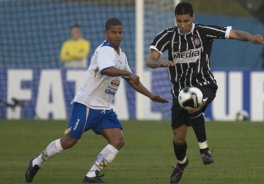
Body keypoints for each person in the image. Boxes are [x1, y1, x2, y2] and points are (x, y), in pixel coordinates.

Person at [25, 18, 168, 183]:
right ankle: (37, 161)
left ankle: (92, 175)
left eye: (120, 32)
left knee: (118, 140)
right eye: (113, 32)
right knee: (69, 141)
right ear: (106, 33)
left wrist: (150, 95)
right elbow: (107, 70)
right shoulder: (104, 50)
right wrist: (128, 74)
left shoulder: (122, 56)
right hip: (86, 104)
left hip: (103, 109)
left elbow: (132, 81)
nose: (117, 35)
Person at [146, 2, 264, 184]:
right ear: (175, 20)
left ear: (193, 18)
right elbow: (150, 59)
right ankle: (181, 163)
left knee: (194, 103)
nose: (183, 25)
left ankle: (204, 151)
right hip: (179, 92)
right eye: (179, 21)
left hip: (204, 84)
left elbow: (234, 33)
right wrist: (160, 62)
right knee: (178, 140)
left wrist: (250, 37)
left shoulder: (203, 31)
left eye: (186, 21)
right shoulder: (167, 36)